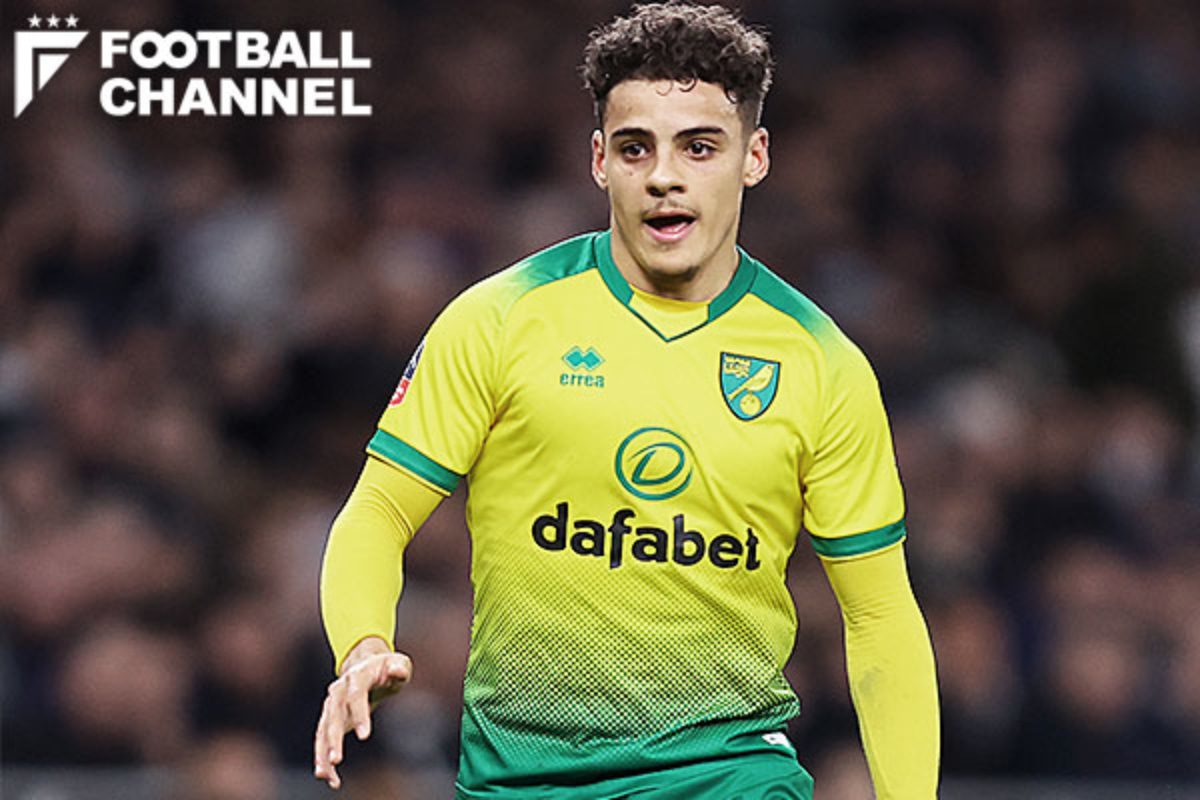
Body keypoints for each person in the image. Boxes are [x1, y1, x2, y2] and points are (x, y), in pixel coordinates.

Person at [313, 3, 940, 798]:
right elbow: (378, 511)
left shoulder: (822, 363)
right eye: (637, 147)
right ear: (600, 160)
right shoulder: (499, 320)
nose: (664, 176)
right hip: (523, 779)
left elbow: (879, 616)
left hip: (729, 774)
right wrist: (363, 644)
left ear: (754, 157)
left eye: (700, 147)